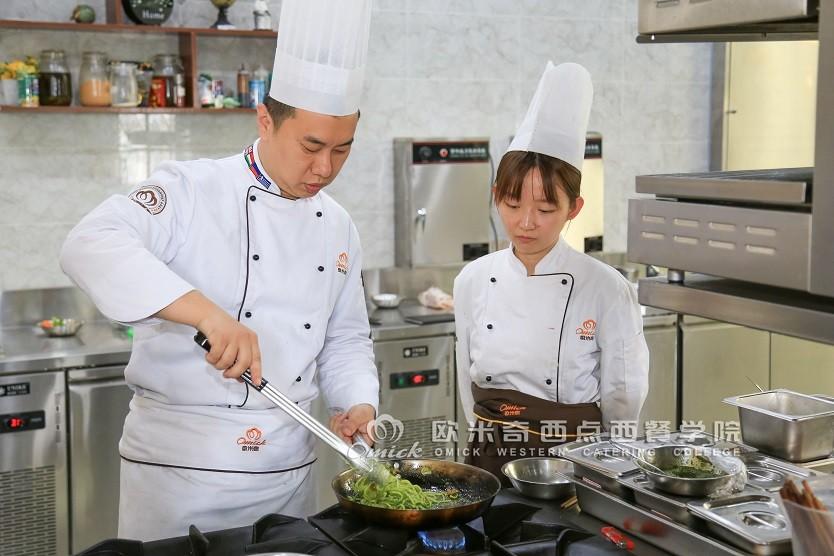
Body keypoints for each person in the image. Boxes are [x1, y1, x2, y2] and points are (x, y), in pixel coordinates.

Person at [59, 0, 378, 541]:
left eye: (342, 150)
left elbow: (345, 337)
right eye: (311, 146)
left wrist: (357, 403)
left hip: (287, 478)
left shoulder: (338, 224)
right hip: (179, 479)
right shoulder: (190, 190)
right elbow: (89, 242)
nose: (324, 169)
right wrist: (208, 315)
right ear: (264, 119)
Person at [454, 62, 650, 482]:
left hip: (576, 463)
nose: (526, 223)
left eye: (545, 209)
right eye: (511, 204)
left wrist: (615, 471)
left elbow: (623, 394)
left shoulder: (606, 288)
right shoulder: (471, 280)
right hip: (489, 462)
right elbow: (465, 384)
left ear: (573, 209)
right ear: (495, 198)